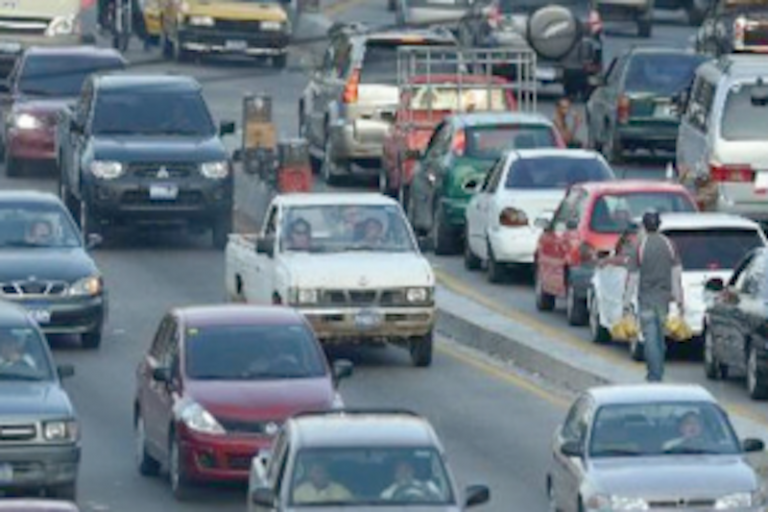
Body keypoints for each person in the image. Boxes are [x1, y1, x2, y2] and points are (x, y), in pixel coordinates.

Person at [623, 210, 684, 382]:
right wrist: (679, 300)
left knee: (649, 337)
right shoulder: (669, 245)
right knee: (660, 338)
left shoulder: (640, 246)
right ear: (659, 225)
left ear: (644, 225)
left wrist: (626, 303)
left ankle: (654, 375)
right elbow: (676, 275)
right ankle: (659, 371)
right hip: (664, 299)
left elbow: (632, 278)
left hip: (646, 300)